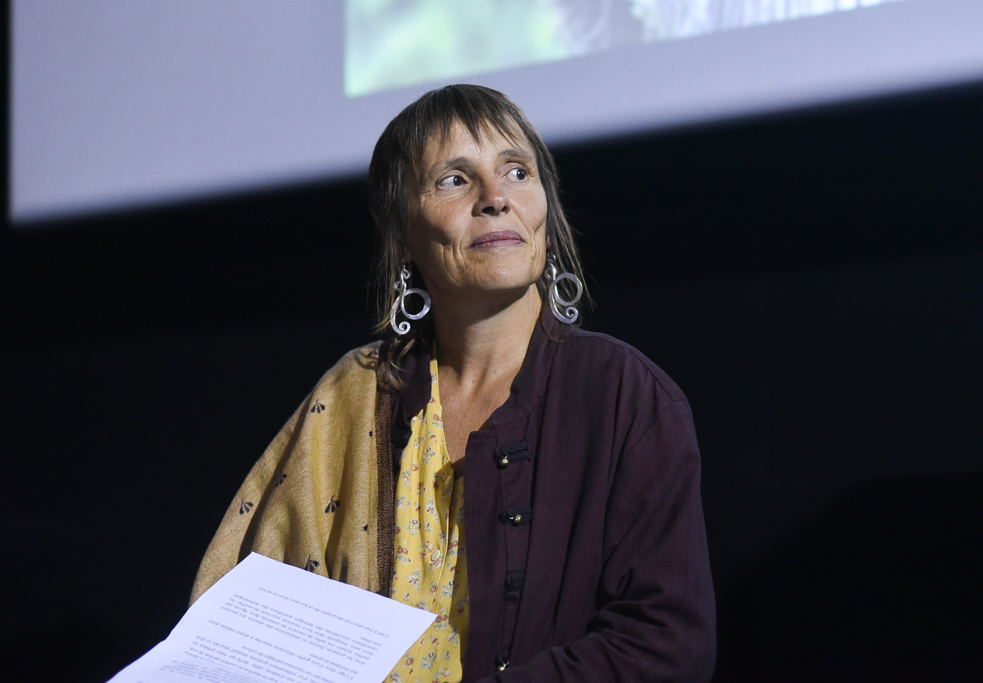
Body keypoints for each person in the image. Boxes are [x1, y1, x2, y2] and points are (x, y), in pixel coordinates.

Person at [190, 84, 716, 682]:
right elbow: (247, 620)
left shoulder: (626, 396)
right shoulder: (354, 393)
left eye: (517, 172)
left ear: (545, 211)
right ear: (400, 233)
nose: (495, 198)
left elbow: (666, 644)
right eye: (454, 180)